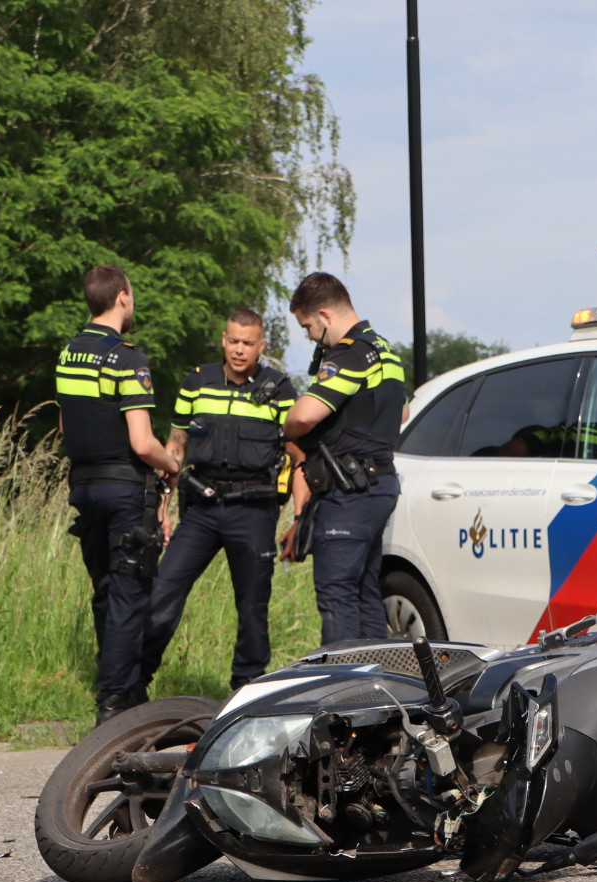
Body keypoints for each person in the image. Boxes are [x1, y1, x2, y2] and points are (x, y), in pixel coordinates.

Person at [139, 308, 299, 693]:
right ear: (223, 341)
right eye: (233, 341)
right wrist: (162, 506)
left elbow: (298, 455)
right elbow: (176, 444)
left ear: (261, 345)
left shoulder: (279, 387)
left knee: (252, 606)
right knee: (163, 590)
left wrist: (300, 516)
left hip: (254, 509)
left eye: (248, 343)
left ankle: (247, 690)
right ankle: (133, 683)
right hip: (202, 509)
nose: (239, 350)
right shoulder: (197, 381)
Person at [56, 265, 180, 726]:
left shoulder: (69, 354)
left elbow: (67, 425)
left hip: (84, 489)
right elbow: (143, 443)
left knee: (106, 592)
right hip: (125, 490)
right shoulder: (126, 358)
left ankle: (121, 693)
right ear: (123, 297)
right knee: (130, 596)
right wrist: (172, 465)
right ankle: (115, 707)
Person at [282, 272, 406, 645]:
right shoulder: (385, 349)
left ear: (325, 315)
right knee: (365, 590)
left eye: (308, 327)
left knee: (337, 592)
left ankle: (342, 678)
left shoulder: (350, 353)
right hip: (377, 483)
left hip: (350, 490)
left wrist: (287, 425)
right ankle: (375, 675)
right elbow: (402, 412)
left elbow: (304, 415)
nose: (310, 337)